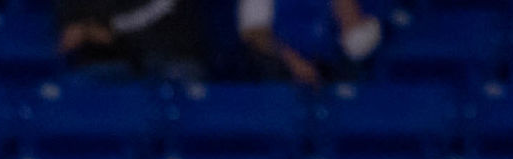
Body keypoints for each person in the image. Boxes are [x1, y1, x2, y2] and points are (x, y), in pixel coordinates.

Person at [238, 0, 382, 85]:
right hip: (282, 68)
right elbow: (255, 33)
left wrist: (350, 18)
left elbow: (358, 42)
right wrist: (292, 60)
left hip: (335, 68)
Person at [54, 0, 208, 79]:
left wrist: (112, 28)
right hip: (108, 60)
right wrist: (86, 29)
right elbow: (72, 25)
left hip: (171, 55)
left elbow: (160, 8)